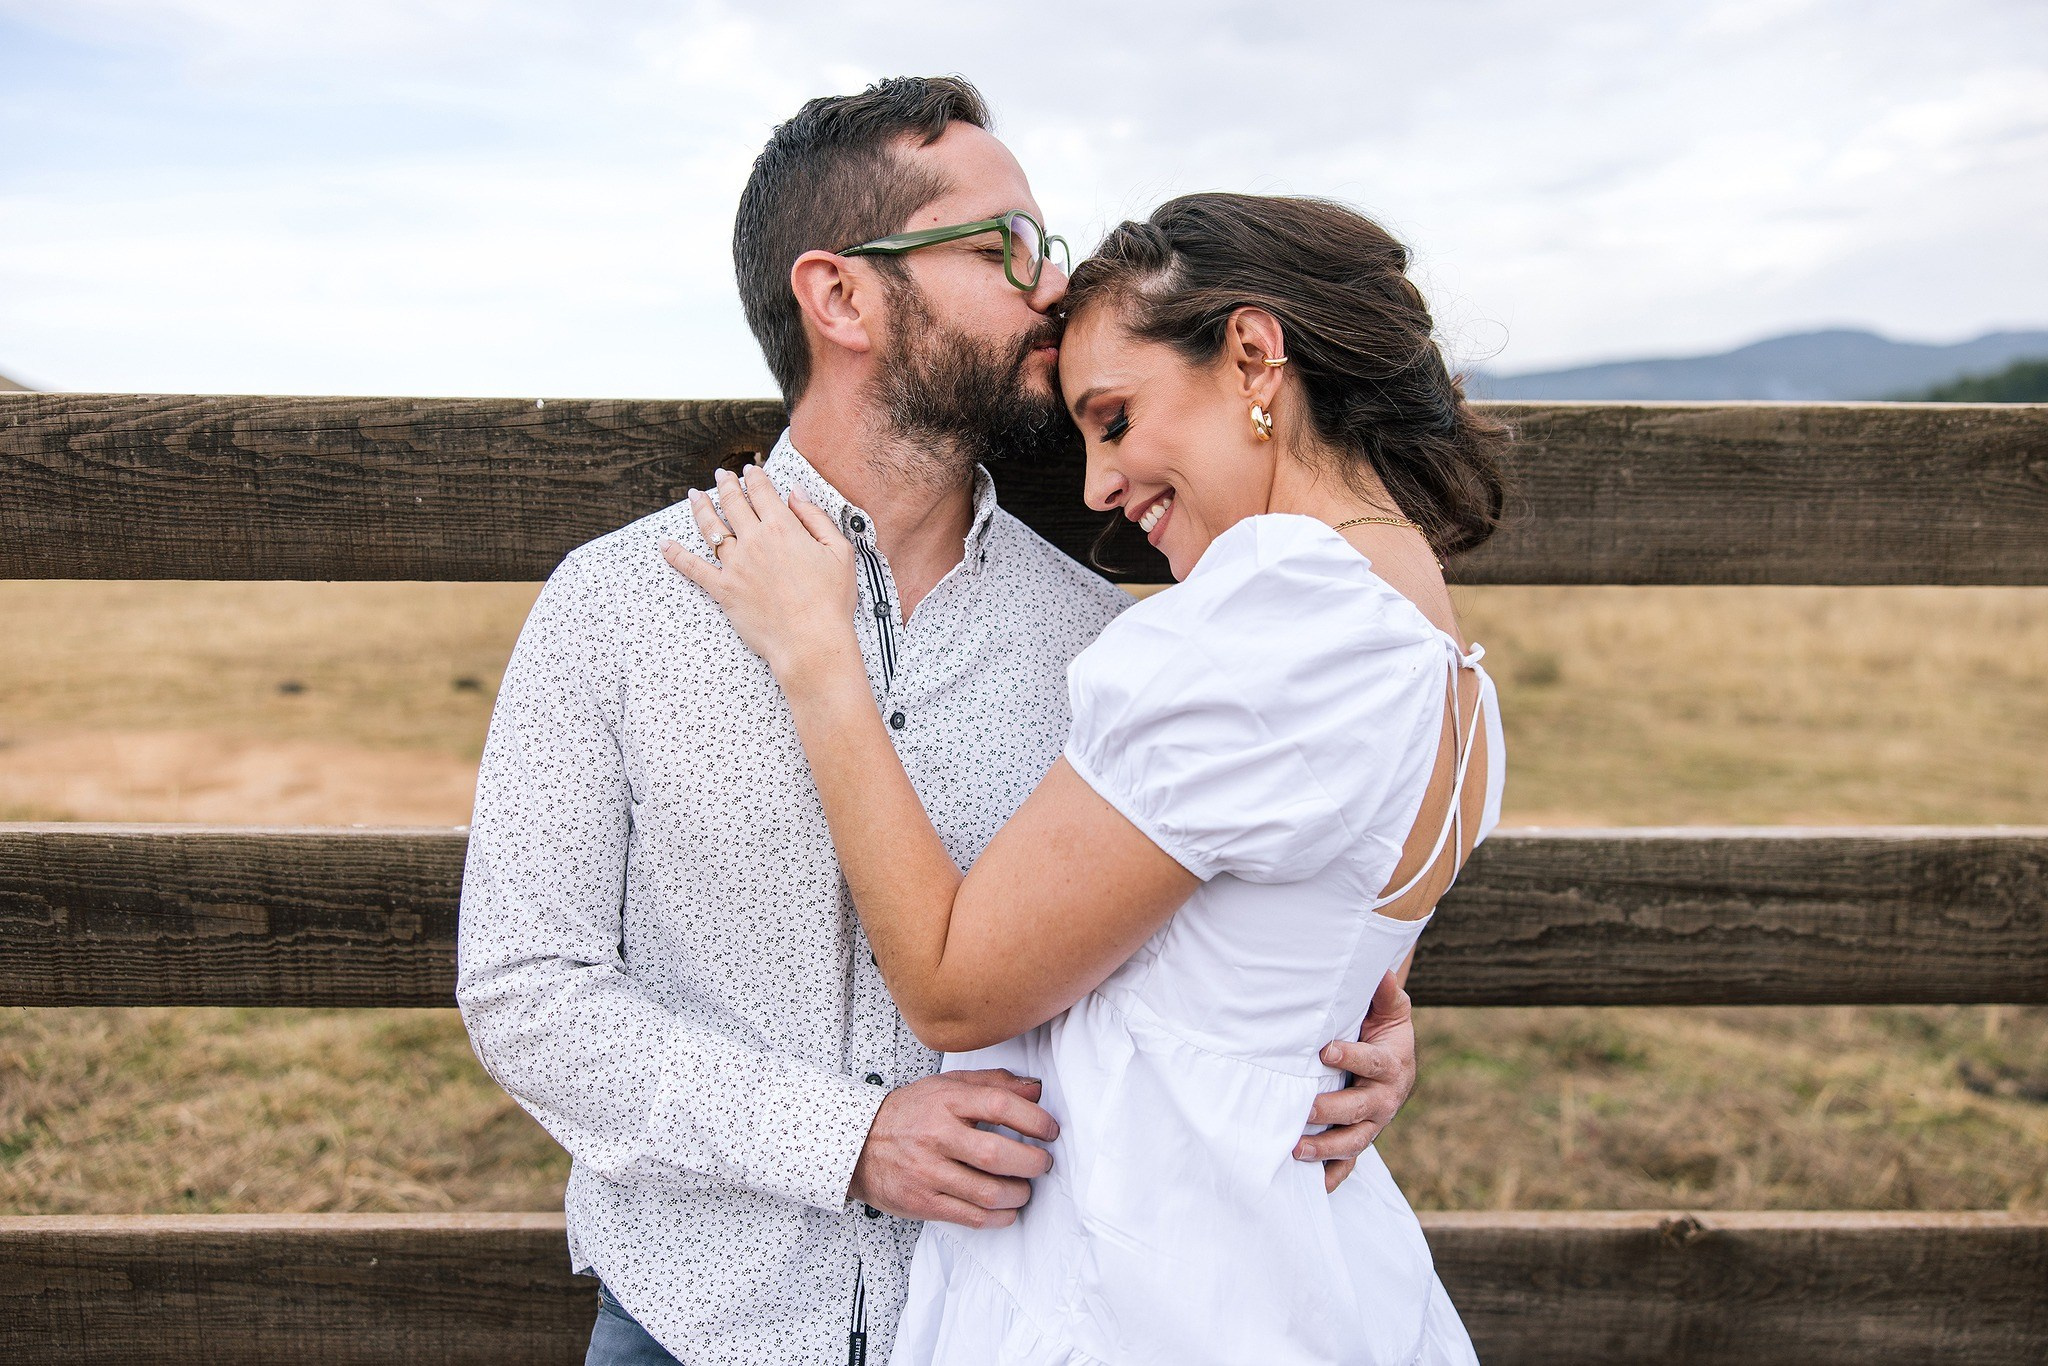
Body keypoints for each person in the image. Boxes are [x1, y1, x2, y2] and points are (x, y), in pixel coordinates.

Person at [455, 77, 1419, 1366]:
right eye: (1007, 245)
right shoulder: (617, 604)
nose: (1054, 287)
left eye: (1051, 245)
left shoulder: (1110, 640)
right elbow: (526, 992)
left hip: (1013, 1316)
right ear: (841, 296)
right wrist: (843, 1139)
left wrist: (1344, 1023)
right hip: (695, 1321)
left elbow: (1207, 927)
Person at [660, 190, 1510, 1365]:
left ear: (1253, 355)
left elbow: (957, 989)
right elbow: (1326, 984)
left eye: (1114, 418)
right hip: (1288, 1268)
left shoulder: (1265, 621)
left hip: (1145, 1293)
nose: (1101, 484)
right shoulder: (1443, 662)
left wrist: (819, 657)